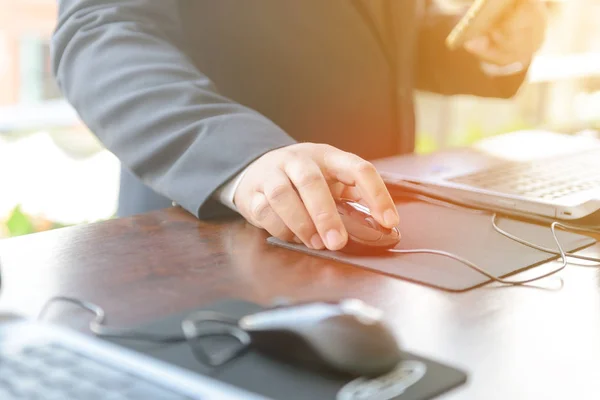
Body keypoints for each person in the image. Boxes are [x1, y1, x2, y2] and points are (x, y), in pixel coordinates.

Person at [52, 0, 547, 252]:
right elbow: (99, 31)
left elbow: (382, 36)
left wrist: (495, 47)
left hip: (375, 252)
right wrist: (244, 157)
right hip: (214, 251)